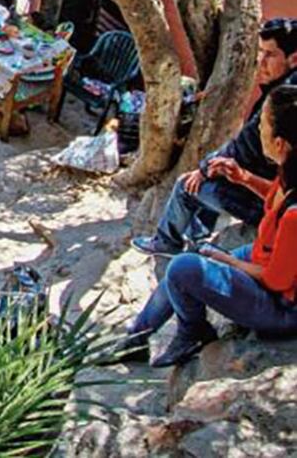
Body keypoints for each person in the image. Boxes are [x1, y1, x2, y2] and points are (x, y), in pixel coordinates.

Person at [119, 85, 297, 367]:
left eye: (263, 123)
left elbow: (276, 281)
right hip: (265, 257)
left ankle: (193, 332)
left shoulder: (295, 216)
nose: (257, 128)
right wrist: (244, 178)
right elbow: (277, 201)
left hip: (281, 308)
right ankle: (136, 338)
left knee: (183, 267)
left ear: (280, 143)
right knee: (191, 260)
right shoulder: (289, 171)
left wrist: (227, 260)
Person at [132, 19, 297, 256]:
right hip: (273, 193)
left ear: (293, 59)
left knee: (186, 185)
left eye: (270, 54)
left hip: (269, 202)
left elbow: (246, 145)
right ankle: (197, 237)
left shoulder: (281, 102)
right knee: (216, 172)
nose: (261, 61)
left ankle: (167, 242)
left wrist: (203, 169)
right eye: (260, 52)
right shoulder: (286, 89)